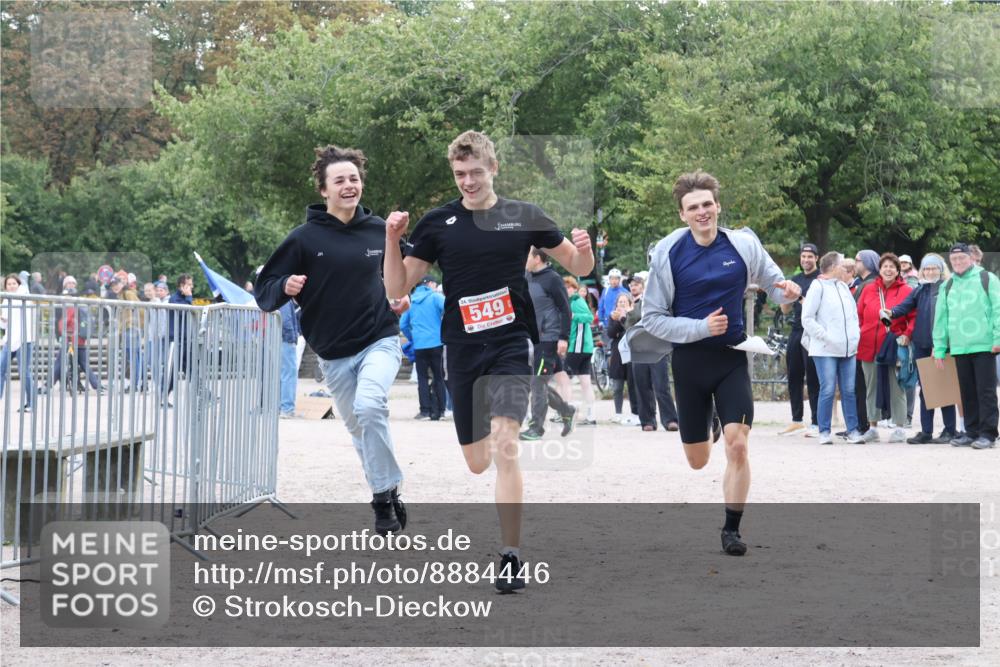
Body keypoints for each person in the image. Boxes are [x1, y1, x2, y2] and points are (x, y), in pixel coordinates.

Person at [383, 130, 594, 592]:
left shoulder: (524, 216)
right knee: (478, 462)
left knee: (505, 444)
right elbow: (396, 288)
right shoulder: (438, 223)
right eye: (460, 174)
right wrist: (392, 239)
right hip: (461, 349)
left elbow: (579, 267)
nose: (468, 181)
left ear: (494, 168)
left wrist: (585, 248)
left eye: (476, 172)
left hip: (510, 343)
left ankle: (511, 555)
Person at [623, 170, 801, 556]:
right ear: (682, 214)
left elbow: (778, 288)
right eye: (693, 207)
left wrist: (789, 291)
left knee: (738, 446)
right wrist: (700, 327)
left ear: (718, 206)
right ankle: (712, 422)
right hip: (689, 363)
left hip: (731, 357)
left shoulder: (743, 245)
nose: (702, 211)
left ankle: (731, 529)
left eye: (707, 204)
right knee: (698, 460)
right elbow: (652, 319)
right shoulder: (668, 253)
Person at [256, 145, 408, 533]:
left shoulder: (378, 230)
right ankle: (389, 488)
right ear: (324, 190)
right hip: (333, 353)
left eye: (354, 178)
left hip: (379, 338)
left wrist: (404, 292)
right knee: (360, 428)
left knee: (370, 407)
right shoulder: (304, 239)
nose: (349, 185)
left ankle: (382, 499)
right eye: (339, 180)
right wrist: (285, 285)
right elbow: (264, 289)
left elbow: (408, 269)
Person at [883, 253, 957, 443]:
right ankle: (926, 432)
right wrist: (891, 312)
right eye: (927, 268)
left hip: (942, 345)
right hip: (921, 346)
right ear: (922, 270)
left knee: (945, 389)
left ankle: (950, 430)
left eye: (934, 268)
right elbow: (905, 307)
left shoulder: (948, 288)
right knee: (926, 390)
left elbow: (951, 319)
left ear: (941, 269)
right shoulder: (921, 289)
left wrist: (940, 345)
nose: (930, 272)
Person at [932, 242, 1000, 449]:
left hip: (984, 345)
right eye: (954, 259)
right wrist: (939, 348)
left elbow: (998, 309)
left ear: (971, 258)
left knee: (985, 391)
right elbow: (940, 319)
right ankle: (971, 432)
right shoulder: (947, 285)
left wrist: (998, 338)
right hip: (959, 347)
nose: (958, 262)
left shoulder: (987, 278)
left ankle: (988, 434)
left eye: (962, 258)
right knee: (967, 392)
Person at [800, 252, 865, 444]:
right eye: (842, 265)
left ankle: (852, 431)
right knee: (828, 389)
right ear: (834, 267)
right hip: (825, 349)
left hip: (848, 348)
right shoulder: (817, 286)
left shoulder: (843, 287)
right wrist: (826, 336)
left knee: (849, 390)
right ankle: (824, 431)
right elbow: (807, 319)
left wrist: (855, 335)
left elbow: (853, 315)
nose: (846, 268)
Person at [856, 253, 914, 442]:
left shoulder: (907, 291)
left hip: (893, 345)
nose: (888, 270)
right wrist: (861, 331)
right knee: (871, 387)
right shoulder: (868, 289)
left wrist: (907, 334)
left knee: (897, 386)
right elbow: (859, 315)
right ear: (879, 270)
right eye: (885, 266)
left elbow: (914, 316)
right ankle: (873, 427)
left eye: (892, 267)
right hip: (868, 345)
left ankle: (899, 427)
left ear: (898, 271)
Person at [521, 248, 577, 440]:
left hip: (549, 339)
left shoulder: (553, 279)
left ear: (537, 258)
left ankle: (536, 428)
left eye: (527, 256)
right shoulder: (526, 276)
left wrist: (563, 338)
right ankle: (567, 410)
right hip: (533, 339)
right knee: (538, 382)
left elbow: (565, 309)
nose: (524, 259)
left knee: (538, 382)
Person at [626, 273, 679, 432]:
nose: (633, 287)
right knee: (642, 386)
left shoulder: (660, 303)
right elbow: (628, 327)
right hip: (639, 350)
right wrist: (629, 312)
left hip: (657, 349)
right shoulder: (633, 305)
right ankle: (647, 420)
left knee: (661, 385)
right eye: (631, 285)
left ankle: (670, 419)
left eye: (637, 285)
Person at [778, 243, 821, 437]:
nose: (806, 260)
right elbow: (785, 309)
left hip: (812, 333)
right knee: (794, 376)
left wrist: (801, 297)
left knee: (813, 378)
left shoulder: (821, 279)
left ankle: (817, 422)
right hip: (796, 331)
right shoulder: (795, 280)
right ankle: (797, 421)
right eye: (803, 256)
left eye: (810, 257)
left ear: (817, 258)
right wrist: (785, 295)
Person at [400, 276, 447, 421]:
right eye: (435, 284)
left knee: (422, 378)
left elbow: (403, 325)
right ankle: (441, 411)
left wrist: (413, 337)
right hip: (436, 343)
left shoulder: (412, 300)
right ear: (430, 284)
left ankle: (425, 411)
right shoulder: (436, 297)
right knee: (439, 377)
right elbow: (449, 310)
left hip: (419, 345)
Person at [563, 275, 597, 426]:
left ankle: (567, 411)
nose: (566, 290)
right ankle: (591, 415)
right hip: (583, 346)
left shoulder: (577, 300)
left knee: (564, 378)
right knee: (585, 382)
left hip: (579, 346)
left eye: (568, 287)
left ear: (574, 289)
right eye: (564, 287)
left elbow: (589, 317)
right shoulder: (572, 301)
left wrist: (573, 316)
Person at [0, 274, 36, 411]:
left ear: (18, 284)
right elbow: (5, 325)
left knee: (24, 372)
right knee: (0, 369)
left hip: (24, 340)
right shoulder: (5, 300)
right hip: (10, 340)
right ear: (5, 287)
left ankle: (31, 403)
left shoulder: (23, 296)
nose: (11, 286)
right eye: (8, 284)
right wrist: (2, 320)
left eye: (14, 283)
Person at [607, 292, 636, 424]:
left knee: (632, 386)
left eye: (625, 302)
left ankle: (635, 413)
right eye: (620, 302)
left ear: (630, 304)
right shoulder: (613, 316)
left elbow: (631, 330)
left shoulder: (634, 316)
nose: (622, 304)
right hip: (617, 354)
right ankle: (618, 413)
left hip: (631, 354)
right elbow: (611, 333)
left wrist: (623, 318)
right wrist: (618, 320)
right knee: (617, 386)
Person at [278, 299, 302, 418]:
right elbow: (286, 320)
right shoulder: (285, 300)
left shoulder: (275, 298)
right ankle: (287, 408)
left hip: (277, 338)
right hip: (285, 339)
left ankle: (280, 407)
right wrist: (292, 338)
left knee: (281, 374)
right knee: (289, 373)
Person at [597, 268, 628, 335]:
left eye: (616, 279)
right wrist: (601, 320)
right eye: (612, 278)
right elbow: (601, 306)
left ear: (619, 279)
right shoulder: (605, 291)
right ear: (609, 279)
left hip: (620, 323)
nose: (614, 281)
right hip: (606, 324)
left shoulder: (624, 292)